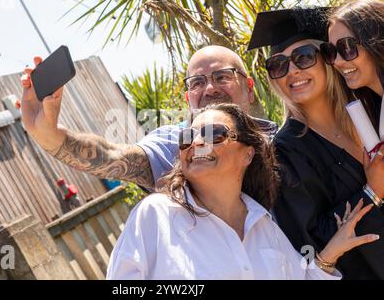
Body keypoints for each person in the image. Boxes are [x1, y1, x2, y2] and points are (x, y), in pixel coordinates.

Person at [106, 103, 378, 279]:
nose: (197, 143)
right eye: (187, 137)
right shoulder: (155, 215)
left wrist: (329, 255)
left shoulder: (265, 224)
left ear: (248, 154)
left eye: (215, 134)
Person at [20, 47, 277, 191]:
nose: (210, 89)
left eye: (222, 76)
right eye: (197, 82)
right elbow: (112, 155)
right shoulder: (175, 145)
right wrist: (49, 135)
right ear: (188, 98)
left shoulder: (283, 143)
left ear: (250, 87)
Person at [248, 7, 384, 279]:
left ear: (327, 59)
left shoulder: (370, 108)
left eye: (304, 57)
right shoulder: (285, 153)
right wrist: (372, 193)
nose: (292, 71)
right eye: (278, 65)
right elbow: (308, 243)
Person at [321, 0, 384, 137]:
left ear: (376, 42)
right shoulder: (375, 109)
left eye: (347, 47)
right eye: (331, 51)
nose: (337, 61)